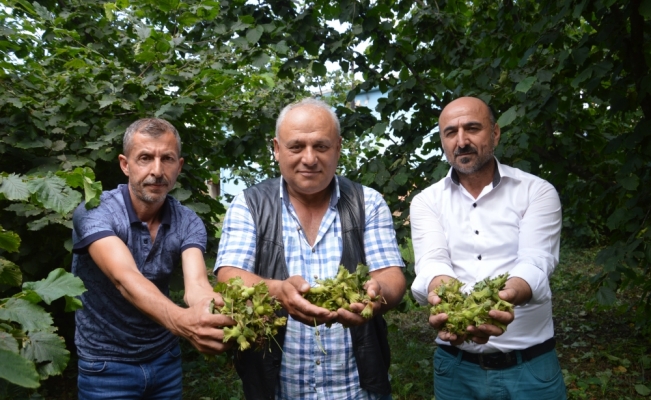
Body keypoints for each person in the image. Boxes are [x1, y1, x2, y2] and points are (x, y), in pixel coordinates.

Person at [215, 97, 406, 400]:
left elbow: (392, 277)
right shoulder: (248, 204)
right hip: (277, 388)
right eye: (296, 147)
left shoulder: (368, 202)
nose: (309, 158)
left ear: (338, 147)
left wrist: (374, 293)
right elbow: (229, 275)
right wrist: (279, 291)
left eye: (321, 146)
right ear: (276, 149)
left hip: (356, 389)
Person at [410, 96, 567, 399]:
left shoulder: (536, 191)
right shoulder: (427, 201)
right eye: (450, 132)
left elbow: (536, 261)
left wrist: (505, 297)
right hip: (456, 369)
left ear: (494, 133)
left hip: (530, 368)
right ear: (442, 141)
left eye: (472, 128)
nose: (462, 141)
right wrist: (446, 296)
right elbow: (432, 262)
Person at [71, 118, 233, 399]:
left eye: (167, 159)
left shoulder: (188, 220)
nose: (157, 171)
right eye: (145, 158)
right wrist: (184, 323)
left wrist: (212, 312)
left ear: (178, 166)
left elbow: (196, 286)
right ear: (125, 164)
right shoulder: (95, 211)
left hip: (165, 360)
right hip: (106, 366)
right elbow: (125, 278)